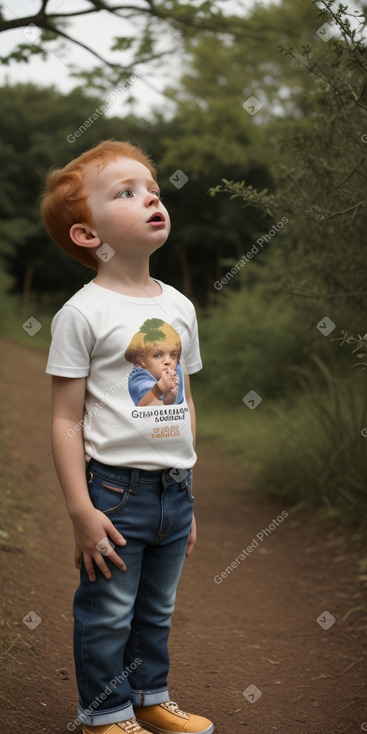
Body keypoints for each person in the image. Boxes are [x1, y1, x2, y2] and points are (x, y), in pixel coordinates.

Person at [41, 140, 214, 734]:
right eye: (126, 193)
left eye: (154, 191)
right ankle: (104, 714)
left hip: (174, 488)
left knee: (156, 610)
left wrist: (187, 493)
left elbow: (185, 402)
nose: (151, 199)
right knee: (108, 610)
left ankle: (148, 697)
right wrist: (80, 510)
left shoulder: (180, 306)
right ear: (88, 235)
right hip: (114, 492)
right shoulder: (81, 314)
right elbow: (66, 418)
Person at [125, 318, 184, 406]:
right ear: (141, 360)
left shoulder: (177, 367)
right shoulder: (139, 376)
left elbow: (188, 398)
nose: (168, 361)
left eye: (173, 355)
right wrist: (159, 389)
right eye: (157, 355)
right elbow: (143, 406)